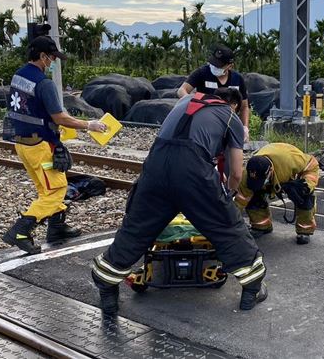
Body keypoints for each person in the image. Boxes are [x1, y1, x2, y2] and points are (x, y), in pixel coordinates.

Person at [91, 88, 267, 316]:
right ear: (232, 104)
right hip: (193, 173)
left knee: (136, 228)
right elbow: (235, 172)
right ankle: (252, 289)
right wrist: (226, 197)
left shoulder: (185, 101)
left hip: (156, 165)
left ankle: (107, 286)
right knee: (227, 228)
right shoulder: (230, 116)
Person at [2, 35, 108, 254]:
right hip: (41, 145)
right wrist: (90, 125)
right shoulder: (44, 83)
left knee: (46, 188)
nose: (52, 62)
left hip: (23, 144)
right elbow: (59, 117)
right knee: (57, 190)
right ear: (42, 56)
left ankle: (57, 227)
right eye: (51, 58)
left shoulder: (18, 76)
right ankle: (20, 231)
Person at [235, 143, 320, 245]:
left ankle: (305, 230)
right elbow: (240, 199)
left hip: (286, 173)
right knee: (253, 195)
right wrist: (228, 219)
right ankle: (261, 226)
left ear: (270, 171)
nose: (259, 184)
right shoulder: (247, 175)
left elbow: (312, 164)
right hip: (274, 177)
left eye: (262, 180)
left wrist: (306, 185)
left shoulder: (290, 159)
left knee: (304, 196)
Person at [177, 44, 251, 142]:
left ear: (230, 66)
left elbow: (244, 107)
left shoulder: (237, 79)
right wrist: (194, 101)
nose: (215, 67)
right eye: (214, 63)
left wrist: (245, 127)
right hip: (205, 123)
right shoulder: (202, 73)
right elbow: (181, 90)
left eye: (219, 65)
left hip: (229, 124)